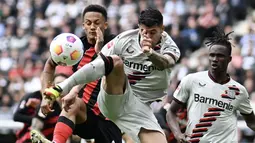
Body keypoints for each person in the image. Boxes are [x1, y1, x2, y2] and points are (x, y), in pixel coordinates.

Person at [43, 8, 180, 143]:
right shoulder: (123, 40)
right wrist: (71, 89)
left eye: (152, 32)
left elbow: (166, 63)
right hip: (113, 99)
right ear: (139, 27)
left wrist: (150, 53)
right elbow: (96, 66)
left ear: (162, 28)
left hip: (139, 108)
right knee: (115, 62)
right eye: (144, 31)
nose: (147, 36)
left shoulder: (169, 46)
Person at [30, 4, 123, 143]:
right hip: (85, 114)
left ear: (105, 25)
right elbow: (49, 65)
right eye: (88, 23)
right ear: (83, 25)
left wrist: (100, 50)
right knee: (72, 104)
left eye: (97, 23)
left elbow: (103, 70)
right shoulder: (74, 46)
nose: (92, 27)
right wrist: (46, 96)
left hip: (111, 119)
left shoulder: (116, 45)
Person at [166, 28, 255, 143]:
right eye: (212, 55)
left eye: (220, 56)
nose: (214, 59)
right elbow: (171, 112)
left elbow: (252, 122)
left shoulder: (239, 91)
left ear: (229, 59)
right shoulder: (191, 80)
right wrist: (178, 134)